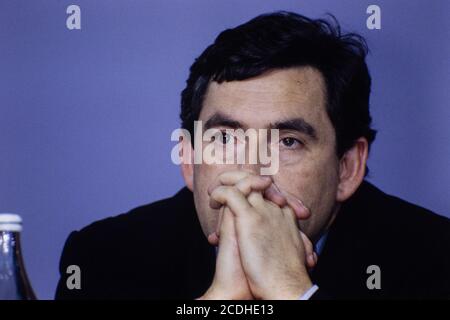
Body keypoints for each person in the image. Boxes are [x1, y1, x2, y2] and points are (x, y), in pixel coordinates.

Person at [55, 11, 450, 300]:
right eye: (225, 139)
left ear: (347, 168)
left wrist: (291, 291)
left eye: (288, 141)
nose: (250, 170)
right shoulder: (104, 258)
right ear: (190, 160)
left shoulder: (434, 259)